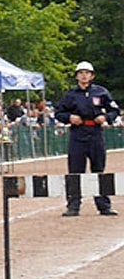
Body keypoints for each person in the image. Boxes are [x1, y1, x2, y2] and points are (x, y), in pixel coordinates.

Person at [55, 61, 119, 217]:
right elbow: (59, 112)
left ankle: (103, 205)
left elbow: (114, 110)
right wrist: (70, 117)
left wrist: (105, 117)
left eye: (87, 72)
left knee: (99, 169)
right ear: (77, 76)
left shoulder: (101, 92)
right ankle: (73, 205)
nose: (84, 75)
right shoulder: (70, 95)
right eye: (81, 72)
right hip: (78, 133)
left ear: (92, 75)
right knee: (75, 170)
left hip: (95, 133)